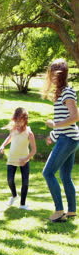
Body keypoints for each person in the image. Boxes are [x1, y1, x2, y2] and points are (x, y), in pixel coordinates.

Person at [41, 59, 79, 222]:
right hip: (68, 138)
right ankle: (71, 211)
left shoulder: (67, 92)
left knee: (48, 172)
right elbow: (65, 123)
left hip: (68, 139)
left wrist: (54, 125)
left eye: (50, 74)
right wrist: (53, 135)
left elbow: (75, 117)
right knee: (64, 175)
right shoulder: (62, 93)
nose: (49, 77)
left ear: (57, 75)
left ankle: (59, 211)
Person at [0, 107, 37, 210]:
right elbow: (9, 137)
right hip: (12, 159)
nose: (18, 123)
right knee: (10, 180)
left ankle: (23, 204)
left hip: (24, 161)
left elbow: (34, 150)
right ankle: (14, 196)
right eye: (16, 121)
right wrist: (3, 145)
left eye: (20, 121)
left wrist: (26, 159)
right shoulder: (13, 129)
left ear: (25, 120)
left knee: (25, 182)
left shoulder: (29, 133)